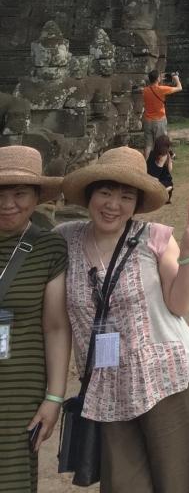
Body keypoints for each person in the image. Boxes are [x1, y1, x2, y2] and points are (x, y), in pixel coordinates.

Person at [57, 146, 189, 493]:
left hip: (167, 379)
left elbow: (179, 305)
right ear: (90, 195)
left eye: (126, 197)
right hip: (106, 386)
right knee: (123, 485)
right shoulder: (65, 239)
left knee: (178, 483)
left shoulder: (154, 237)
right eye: (105, 192)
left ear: (137, 203)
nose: (113, 205)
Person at [0, 146, 70, 493]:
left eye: (19, 193)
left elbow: (55, 327)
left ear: (37, 196)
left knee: (12, 480)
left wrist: (54, 398)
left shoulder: (49, 249)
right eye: (0, 194)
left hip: (18, 393)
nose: (8, 204)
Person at [141, 69, 183, 145]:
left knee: (148, 145)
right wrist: (176, 78)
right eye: (159, 76)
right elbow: (179, 88)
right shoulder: (162, 89)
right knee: (161, 143)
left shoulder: (145, 90)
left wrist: (159, 79)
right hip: (159, 120)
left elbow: (152, 88)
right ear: (157, 79)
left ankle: (147, 154)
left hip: (147, 121)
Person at [146, 134, 175, 201]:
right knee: (167, 184)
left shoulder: (152, 154)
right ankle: (162, 193)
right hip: (155, 181)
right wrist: (162, 163)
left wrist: (169, 159)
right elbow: (169, 170)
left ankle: (162, 192)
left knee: (168, 183)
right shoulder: (163, 156)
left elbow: (169, 170)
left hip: (156, 181)